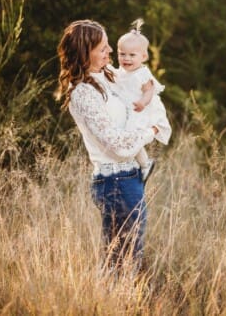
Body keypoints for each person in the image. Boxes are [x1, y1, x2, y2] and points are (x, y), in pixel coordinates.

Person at [56, 19, 159, 271]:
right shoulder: (82, 92)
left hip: (129, 178)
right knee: (122, 262)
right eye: (103, 48)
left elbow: (140, 87)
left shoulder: (106, 75)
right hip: (116, 183)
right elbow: (118, 146)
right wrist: (151, 131)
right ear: (85, 52)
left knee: (128, 257)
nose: (110, 51)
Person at [113, 18, 172, 182]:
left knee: (133, 137)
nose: (127, 59)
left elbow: (149, 90)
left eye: (132, 55)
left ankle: (145, 164)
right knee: (126, 138)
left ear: (144, 56)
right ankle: (141, 165)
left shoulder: (142, 73)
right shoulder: (121, 71)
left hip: (141, 109)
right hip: (129, 110)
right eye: (122, 54)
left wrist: (143, 102)